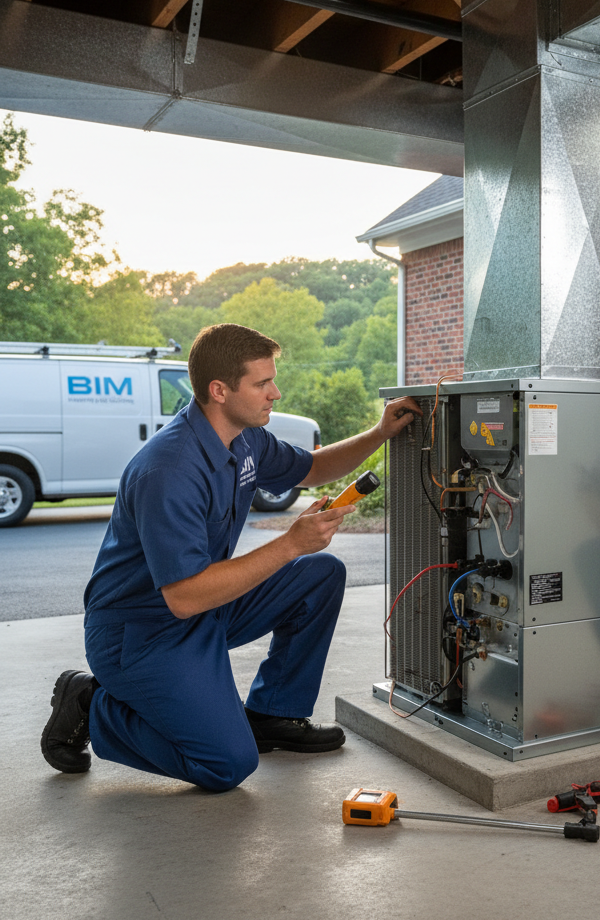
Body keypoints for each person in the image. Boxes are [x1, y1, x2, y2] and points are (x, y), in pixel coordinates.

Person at [41, 323, 421, 791]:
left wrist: (380, 432)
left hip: (205, 608)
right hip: (142, 632)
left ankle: (272, 713)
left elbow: (315, 468)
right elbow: (183, 597)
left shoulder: (245, 440)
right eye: (262, 383)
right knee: (226, 764)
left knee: (319, 573)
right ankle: (90, 703)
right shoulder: (169, 470)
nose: (275, 393)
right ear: (219, 390)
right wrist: (289, 543)